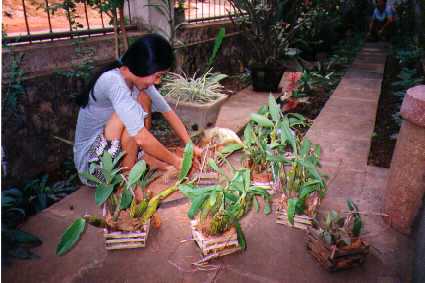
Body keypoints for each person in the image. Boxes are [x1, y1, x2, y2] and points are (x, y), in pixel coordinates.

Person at [74, 33, 202, 200]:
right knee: (130, 118)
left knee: (143, 99)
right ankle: (128, 185)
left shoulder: (137, 81)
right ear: (143, 67)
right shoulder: (113, 81)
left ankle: (143, 164)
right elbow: (141, 138)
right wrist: (178, 163)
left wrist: (191, 146)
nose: (157, 81)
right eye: (157, 75)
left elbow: (168, 112)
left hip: (111, 153)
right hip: (93, 169)